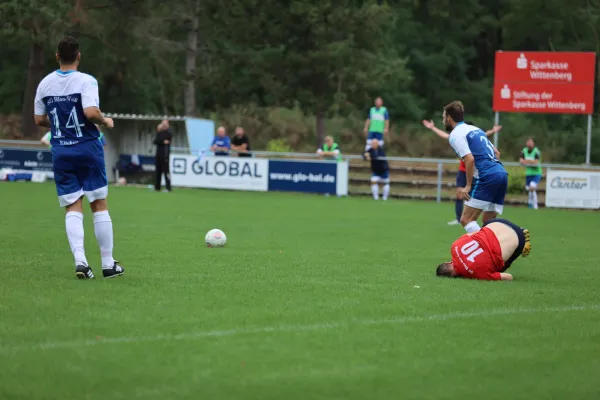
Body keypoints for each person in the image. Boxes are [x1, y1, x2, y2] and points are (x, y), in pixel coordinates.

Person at [33, 36, 124, 279]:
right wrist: (105, 121)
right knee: (98, 203)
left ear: (57, 56)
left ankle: (81, 262)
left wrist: (59, 120)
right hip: (87, 147)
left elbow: (39, 119)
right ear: (79, 56)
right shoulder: (86, 81)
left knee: (72, 205)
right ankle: (107, 264)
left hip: (61, 150)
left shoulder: (44, 84)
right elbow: (90, 112)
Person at [422, 119, 502, 225]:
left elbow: (487, 137)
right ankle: (459, 218)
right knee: (459, 195)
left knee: (475, 196)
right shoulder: (459, 137)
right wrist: (433, 128)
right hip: (463, 171)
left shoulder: (474, 138)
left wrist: (493, 130)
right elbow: (445, 136)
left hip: (476, 172)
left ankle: (471, 218)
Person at [445, 101, 508, 234]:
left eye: (444, 117)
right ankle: (498, 250)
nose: (443, 120)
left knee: (466, 219)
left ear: (449, 118)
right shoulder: (476, 130)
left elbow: (469, 159)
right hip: (501, 173)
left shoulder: (455, 134)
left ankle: (491, 247)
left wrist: (468, 186)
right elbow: (497, 153)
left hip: (487, 176)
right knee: (488, 223)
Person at [435, 218, 531, 281]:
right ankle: (517, 230)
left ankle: (520, 239)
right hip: (499, 222)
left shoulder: (478, 275)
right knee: (482, 229)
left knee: (499, 268)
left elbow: (509, 277)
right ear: (448, 262)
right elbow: (474, 233)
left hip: (518, 238)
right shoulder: (455, 246)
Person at [520, 138, 542, 210]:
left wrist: (526, 161)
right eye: (528, 142)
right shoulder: (524, 150)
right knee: (529, 189)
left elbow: (536, 162)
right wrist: (530, 161)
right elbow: (521, 161)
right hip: (528, 173)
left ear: (533, 143)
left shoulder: (536, 151)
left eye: (531, 142)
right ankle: (530, 204)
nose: (529, 144)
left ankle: (535, 205)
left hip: (536, 173)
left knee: (532, 187)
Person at [41, 126, 106, 149]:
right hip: (54, 151)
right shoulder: (49, 134)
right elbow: (42, 140)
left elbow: (104, 146)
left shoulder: (101, 134)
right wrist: (50, 143)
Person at [153, 119, 173, 192]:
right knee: (158, 171)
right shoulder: (159, 132)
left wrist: (162, 141)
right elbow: (156, 141)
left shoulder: (169, 133)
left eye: (165, 124)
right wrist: (162, 141)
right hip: (158, 154)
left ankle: (168, 187)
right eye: (162, 124)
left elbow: (167, 140)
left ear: (167, 125)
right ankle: (157, 187)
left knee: (166, 172)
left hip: (165, 155)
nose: (163, 126)